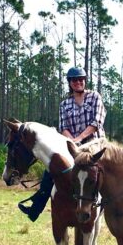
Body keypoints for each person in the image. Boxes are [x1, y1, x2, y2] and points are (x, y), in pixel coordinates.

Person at [18, 66, 106, 221]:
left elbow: (96, 123)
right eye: (75, 80)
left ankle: (107, 206)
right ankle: (36, 207)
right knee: (51, 171)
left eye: (81, 79)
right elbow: (63, 127)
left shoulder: (95, 97)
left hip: (93, 146)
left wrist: (79, 139)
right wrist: (72, 142)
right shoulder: (64, 105)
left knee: (101, 175)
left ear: (85, 81)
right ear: (70, 83)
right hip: (72, 147)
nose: (78, 82)